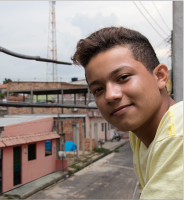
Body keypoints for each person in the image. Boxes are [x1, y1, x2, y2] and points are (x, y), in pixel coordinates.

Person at [71, 27, 183, 199]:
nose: (110, 96)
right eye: (98, 89)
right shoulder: (140, 134)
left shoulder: (177, 138)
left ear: (160, 76)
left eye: (123, 77)